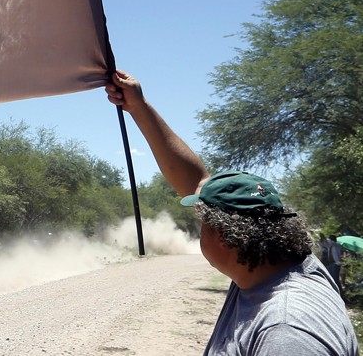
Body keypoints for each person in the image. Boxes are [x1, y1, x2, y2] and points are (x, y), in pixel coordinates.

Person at [106, 70, 358, 355]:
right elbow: (196, 181)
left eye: (202, 222)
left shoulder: (286, 332)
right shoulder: (287, 264)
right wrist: (138, 107)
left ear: (224, 237)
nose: (200, 227)